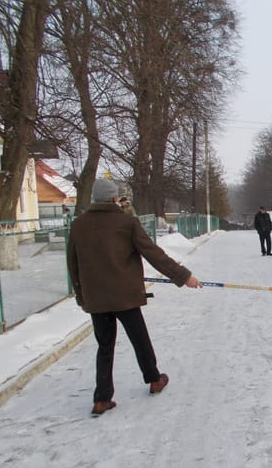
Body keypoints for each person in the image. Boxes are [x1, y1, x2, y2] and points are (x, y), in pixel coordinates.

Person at [67, 177, 203, 416]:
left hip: (96, 298)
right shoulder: (126, 222)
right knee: (139, 339)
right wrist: (183, 277)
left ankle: (101, 399)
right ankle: (153, 379)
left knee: (104, 346)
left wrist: (81, 297)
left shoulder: (78, 225)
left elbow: (73, 264)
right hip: (125, 296)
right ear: (114, 198)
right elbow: (154, 254)